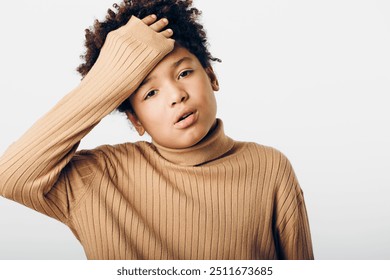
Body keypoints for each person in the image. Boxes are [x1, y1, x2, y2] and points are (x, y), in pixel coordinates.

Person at [0, 0, 314, 259]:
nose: (176, 95)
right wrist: (107, 79)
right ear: (135, 120)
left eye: (185, 72)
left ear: (212, 77)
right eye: (150, 93)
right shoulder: (97, 178)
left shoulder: (269, 168)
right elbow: (10, 175)